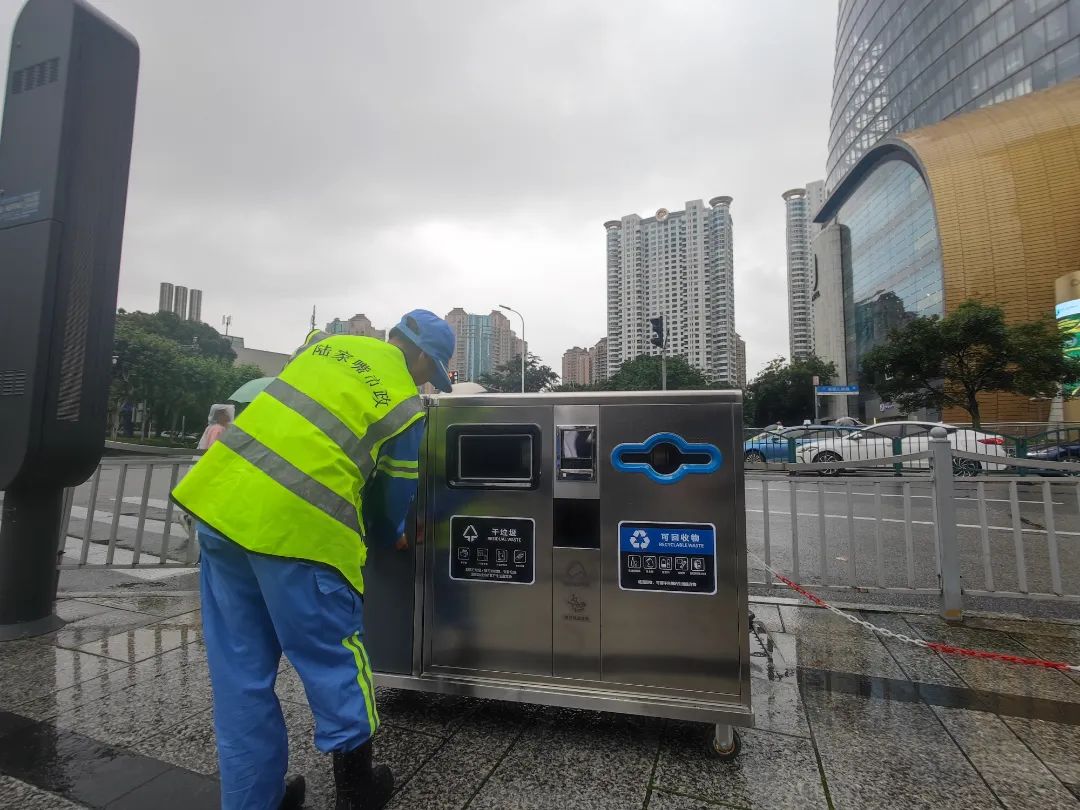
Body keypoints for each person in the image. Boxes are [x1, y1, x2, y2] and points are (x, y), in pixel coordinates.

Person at [171, 310, 455, 810]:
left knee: (240, 672)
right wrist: (390, 538)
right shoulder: (405, 404)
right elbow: (392, 495)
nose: (424, 381)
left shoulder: (321, 348)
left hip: (221, 512)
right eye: (429, 371)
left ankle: (255, 800)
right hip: (301, 535)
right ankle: (356, 791)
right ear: (420, 356)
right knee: (335, 662)